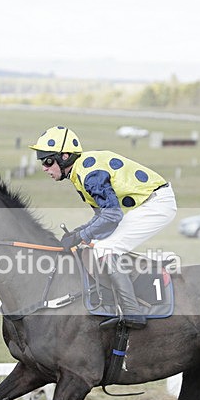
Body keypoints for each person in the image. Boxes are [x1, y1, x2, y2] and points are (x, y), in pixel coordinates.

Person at [29, 125, 177, 329]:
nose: (44, 168)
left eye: (47, 161)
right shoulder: (79, 172)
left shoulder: (89, 174)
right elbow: (101, 216)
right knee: (96, 243)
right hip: (145, 204)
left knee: (105, 248)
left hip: (157, 203)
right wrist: (77, 234)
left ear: (65, 157)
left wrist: (80, 235)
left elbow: (112, 216)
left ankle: (131, 312)